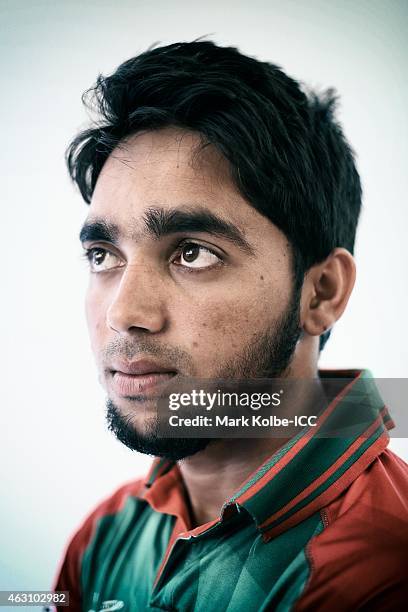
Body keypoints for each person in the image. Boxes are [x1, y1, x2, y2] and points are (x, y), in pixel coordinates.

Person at [53, 41, 408, 611]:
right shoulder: (103, 537)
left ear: (322, 291)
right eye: (103, 254)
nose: (123, 312)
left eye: (192, 253)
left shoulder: (386, 566)